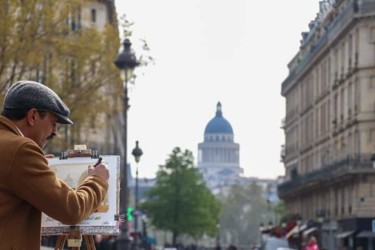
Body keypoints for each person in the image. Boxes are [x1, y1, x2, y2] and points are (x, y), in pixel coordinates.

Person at [0, 80, 109, 249]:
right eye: (53, 122)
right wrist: (97, 181)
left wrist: (39, 169)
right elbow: (71, 210)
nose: (55, 132)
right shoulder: (21, 150)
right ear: (33, 116)